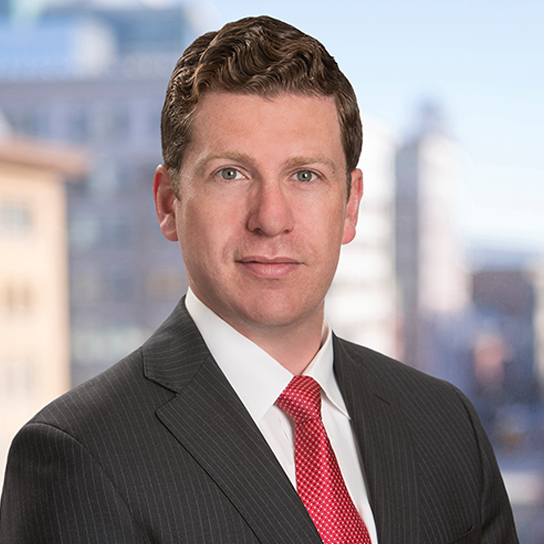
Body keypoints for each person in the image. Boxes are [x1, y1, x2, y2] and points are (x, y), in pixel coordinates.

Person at [0, 15, 518, 544]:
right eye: (231, 173)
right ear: (169, 203)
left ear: (351, 206)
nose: (271, 218)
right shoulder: (76, 455)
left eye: (305, 175)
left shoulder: (445, 421)